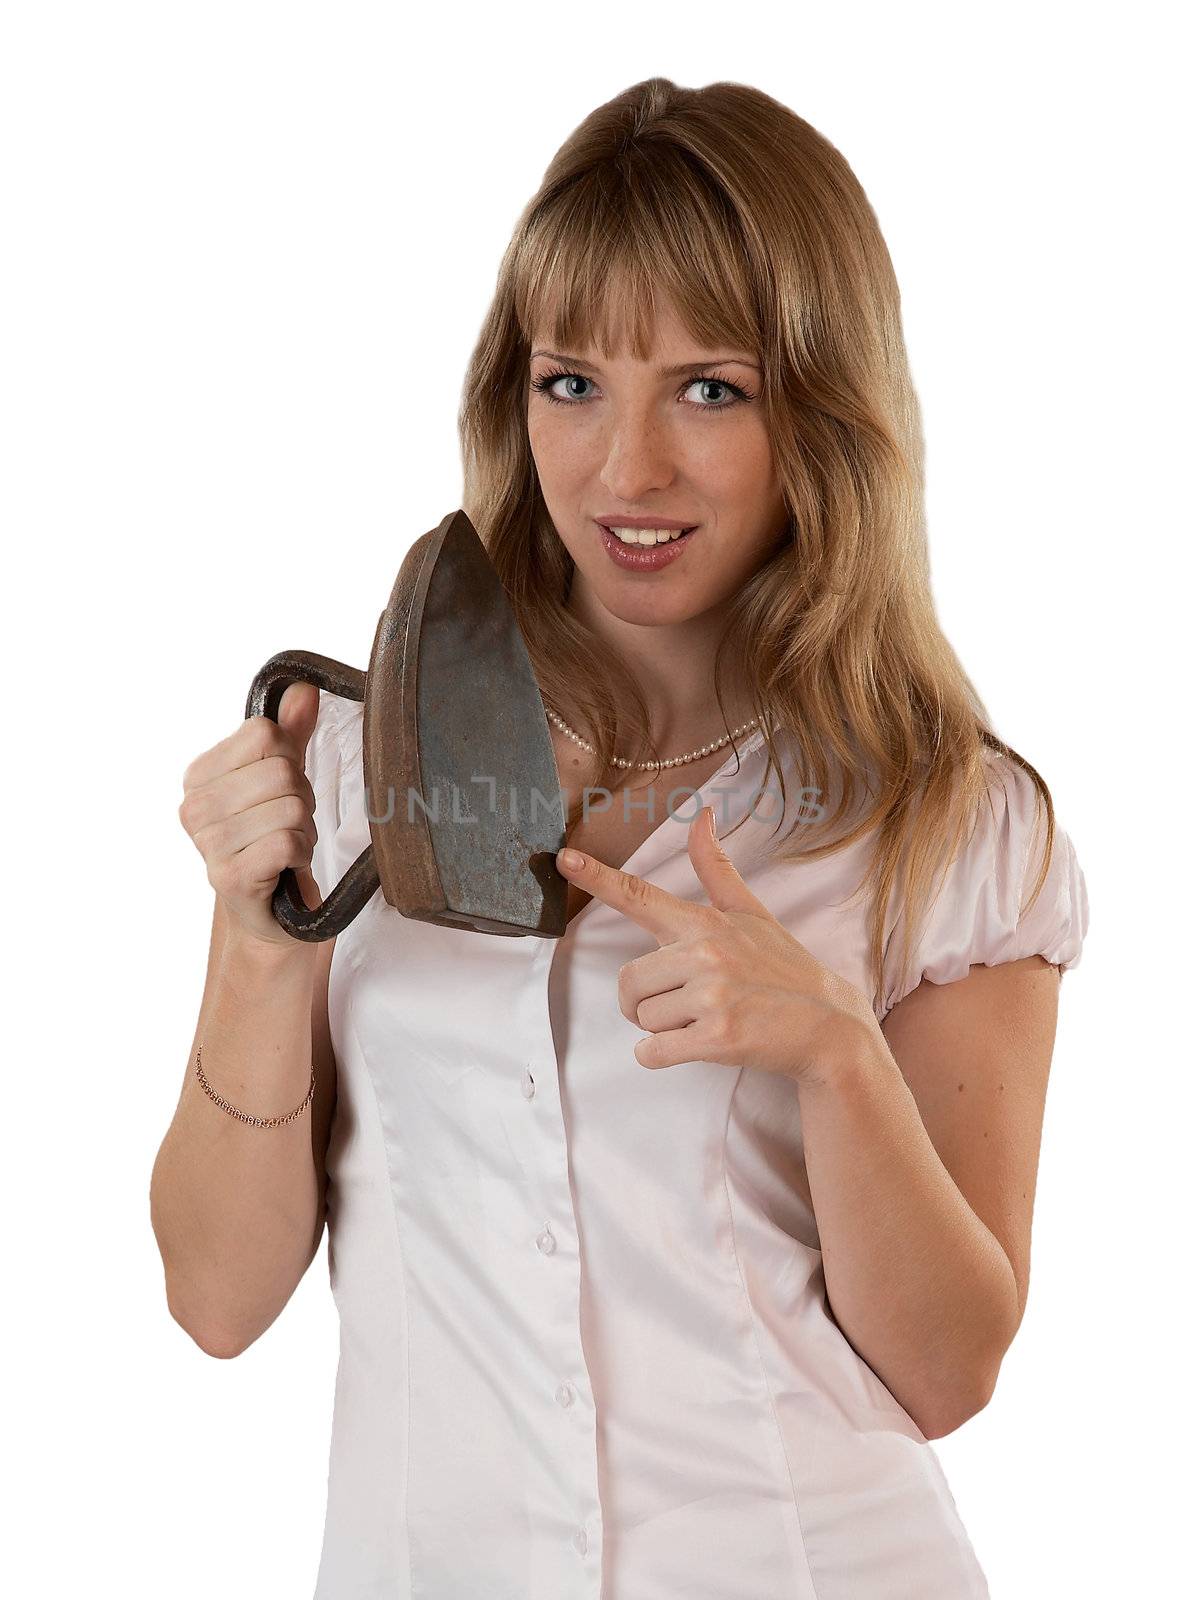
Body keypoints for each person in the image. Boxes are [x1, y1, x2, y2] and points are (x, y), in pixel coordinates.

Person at [152, 77, 1089, 1598]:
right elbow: (213, 1299)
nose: (623, 470)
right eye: (570, 382)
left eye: (709, 389)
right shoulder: (359, 765)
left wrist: (835, 1053)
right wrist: (255, 948)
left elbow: (947, 1374)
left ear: (824, 411)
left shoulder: (953, 821)